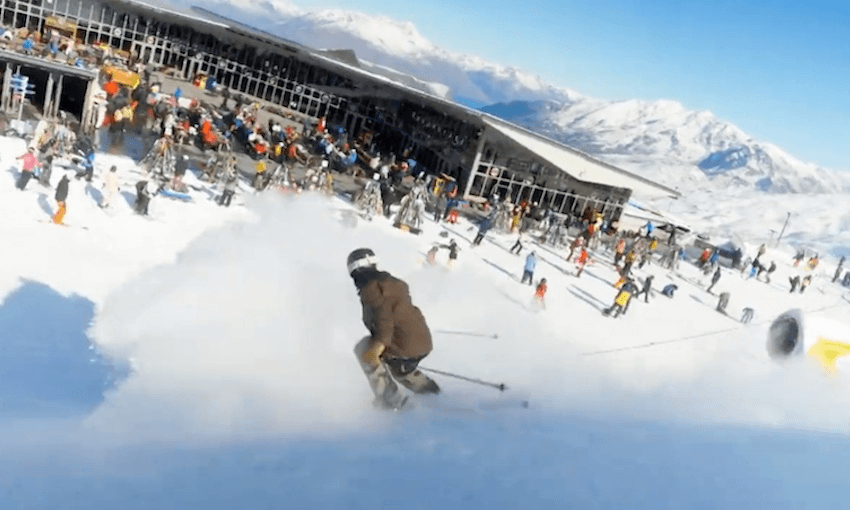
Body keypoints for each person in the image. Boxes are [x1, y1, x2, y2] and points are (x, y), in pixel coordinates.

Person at [347, 248, 440, 410]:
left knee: (365, 350)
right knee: (400, 370)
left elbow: (384, 318)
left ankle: (391, 400)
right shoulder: (389, 282)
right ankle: (430, 391)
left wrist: (378, 347)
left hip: (404, 344)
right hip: (421, 340)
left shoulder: (370, 288)